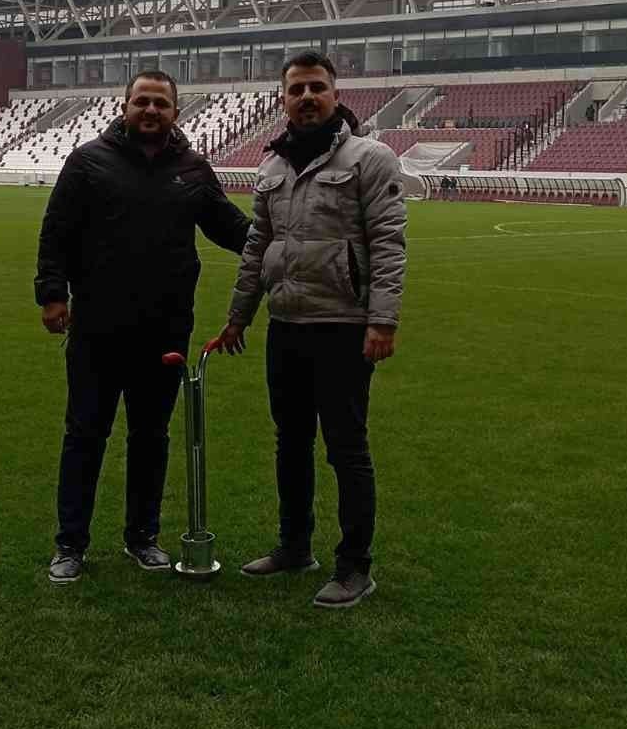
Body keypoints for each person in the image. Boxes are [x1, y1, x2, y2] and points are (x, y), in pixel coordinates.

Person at [36, 70, 250, 584]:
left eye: (161, 103)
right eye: (142, 102)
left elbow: (231, 228)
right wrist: (51, 294)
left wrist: (286, 239)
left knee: (151, 437)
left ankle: (142, 538)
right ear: (124, 106)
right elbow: (57, 230)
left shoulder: (194, 169)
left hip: (164, 330)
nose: (151, 111)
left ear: (176, 112)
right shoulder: (88, 161)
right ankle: (70, 545)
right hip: (97, 328)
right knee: (85, 436)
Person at [216, 52, 406, 609]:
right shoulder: (272, 167)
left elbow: (390, 246)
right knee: (290, 444)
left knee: (346, 449)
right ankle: (294, 546)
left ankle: (355, 567)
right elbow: (257, 248)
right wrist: (237, 316)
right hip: (286, 324)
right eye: (296, 88)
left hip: (345, 327)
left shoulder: (370, 158)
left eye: (316, 87)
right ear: (282, 97)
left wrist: (383, 320)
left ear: (335, 94)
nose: (306, 97)